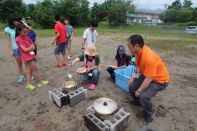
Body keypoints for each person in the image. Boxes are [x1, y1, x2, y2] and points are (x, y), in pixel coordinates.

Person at [127, 34, 170, 123]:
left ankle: (148, 114)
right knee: (131, 87)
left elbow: (148, 79)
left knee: (143, 96)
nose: (128, 49)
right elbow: (138, 67)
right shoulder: (137, 52)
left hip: (159, 80)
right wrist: (132, 78)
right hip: (147, 74)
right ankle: (138, 102)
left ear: (136, 46)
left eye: (129, 47)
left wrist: (139, 91)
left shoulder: (149, 58)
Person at [16, 24, 48, 90]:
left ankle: (28, 84)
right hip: (27, 57)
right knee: (35, 69)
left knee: (29, 71)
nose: (26, 33)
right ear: (19, 31)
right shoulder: (18, 39)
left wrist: (29, 48)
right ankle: (40, 82)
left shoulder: (27, 37)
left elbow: (33, 46)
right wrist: (30, 48)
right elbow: (25, 49)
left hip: (31, 55)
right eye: (24, 32)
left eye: (26, 32)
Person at [4, 15, 25, 83]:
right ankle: (21, 77)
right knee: (19, 64)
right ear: (11, 21)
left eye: (17, 20)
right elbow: (8, 40)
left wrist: (23, 21)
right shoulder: (7, 29)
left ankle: (30, 74)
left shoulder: (20, 27)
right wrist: (10, 51)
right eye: (15, 21)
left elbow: (29, 29)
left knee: (28, 62)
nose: (17, 22)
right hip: (15, 48)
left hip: (24, 47)